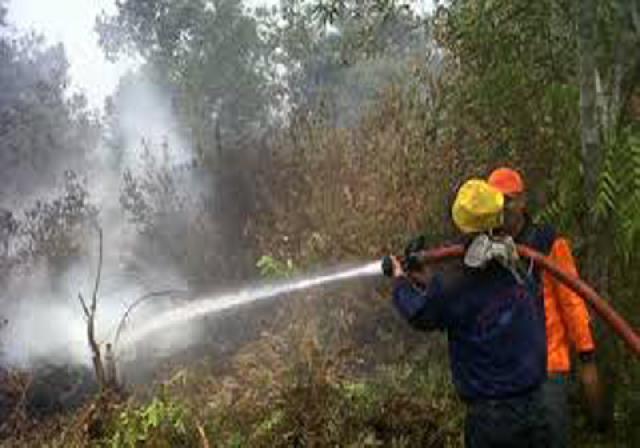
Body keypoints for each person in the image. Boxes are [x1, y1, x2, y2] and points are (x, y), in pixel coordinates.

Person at [389, 179, 551, 448]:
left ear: (459, 225)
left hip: (494, 422)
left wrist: (399, 280)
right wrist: (426, 282)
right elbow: (476, 300)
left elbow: (420, 313)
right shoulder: (518, 265)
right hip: (536, 408)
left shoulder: (457, 285)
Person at [487, 167, 603, 447]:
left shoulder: (548, 242)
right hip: (506, 372)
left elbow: (572, 301)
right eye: (495, 202)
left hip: (548, 365)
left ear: (521, 201)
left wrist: (586, 357)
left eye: (507, 200)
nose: (502, 208)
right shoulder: (486, 248)